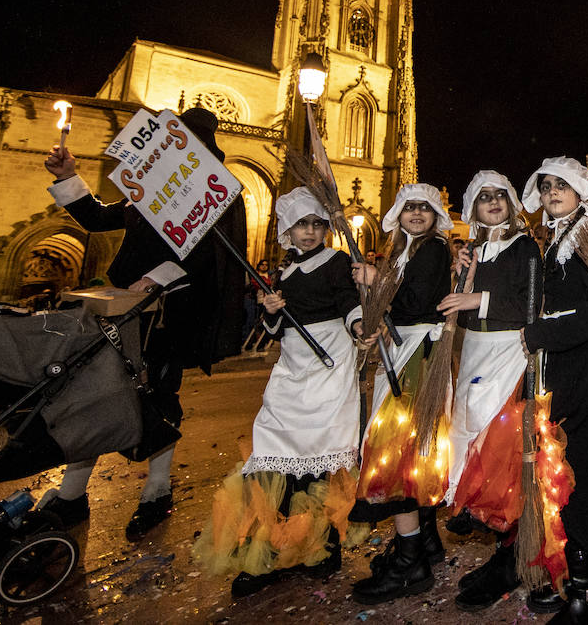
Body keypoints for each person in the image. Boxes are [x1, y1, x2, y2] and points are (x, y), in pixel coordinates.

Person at [40, 106, 247, 540]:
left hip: (171, 311)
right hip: (122, 305)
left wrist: (159, 275)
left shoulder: (217, 194)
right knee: (96, 393)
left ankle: (157, 489)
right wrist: (68, 176)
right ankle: (73, 492)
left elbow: (214, 262)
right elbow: (98, 219)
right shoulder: (146, 191)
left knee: (156, 395)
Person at [194, 187, 363, 597]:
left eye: (316, 225)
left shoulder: (337, 261)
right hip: (291, 366)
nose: (309, 232)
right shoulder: (284, 271)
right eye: (302, 225)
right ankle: (270, 547)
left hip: (330, 364)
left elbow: (349, 302)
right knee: (275, 453)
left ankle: (323, 545)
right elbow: (275, 329)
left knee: (320, 457)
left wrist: (359, 325)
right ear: (288, 229)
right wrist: (270, 311)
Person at [519, 155, 588, 624]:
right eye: (545, 187)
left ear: (581, 189)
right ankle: (574, 572)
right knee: (562, 461)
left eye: (561, 185)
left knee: (583, 462)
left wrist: (544, 334)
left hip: (583, 363)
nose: (552, 193)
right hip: (562, 361)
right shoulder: (562, 234)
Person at [441, 169, 542, 612]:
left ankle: (515, 554)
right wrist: (460, 279)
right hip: (475, 355)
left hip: (509, 352)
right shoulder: (473, 251)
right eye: (484, 197)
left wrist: (476, 299)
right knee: (473, 443)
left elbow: (531, 304)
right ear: (473, 209)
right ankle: (502, 550)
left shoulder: (525, 248)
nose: (494, 201)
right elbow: (456, 312)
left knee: (503, 452)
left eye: (500, 195)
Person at [350, 182, 453, 605]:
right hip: (406, 350)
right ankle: (424, 541)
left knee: (395, 451)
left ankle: (411, 560)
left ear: (435, 217)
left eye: (424, 209)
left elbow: (416, 301)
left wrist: (380, 282)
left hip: (419, 355)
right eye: (409, 207)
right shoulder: (403, 251)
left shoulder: (433, 250)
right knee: (409, 450)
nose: (416, 214)